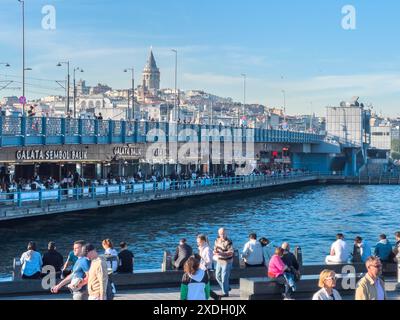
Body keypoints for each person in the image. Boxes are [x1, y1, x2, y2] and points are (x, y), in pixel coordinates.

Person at [213, 228, 234, 297]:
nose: (222, 235)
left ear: (226, 233)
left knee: (224, 278)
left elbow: (231, 253)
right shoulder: (216, 240)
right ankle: (227, 287)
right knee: (217, 276)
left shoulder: (229, 241)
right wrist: (214, 252)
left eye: (223, 233)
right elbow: (215, 248)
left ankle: (225, 293)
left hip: (227, 262)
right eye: (221, 234)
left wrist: (222, 253)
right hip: (219, 260)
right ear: (219, 234)